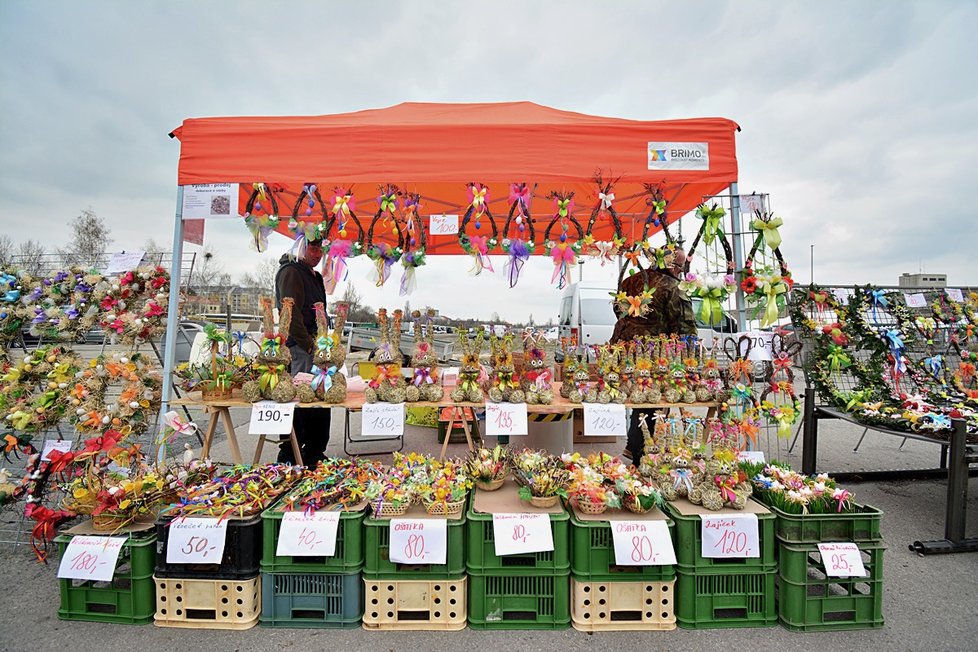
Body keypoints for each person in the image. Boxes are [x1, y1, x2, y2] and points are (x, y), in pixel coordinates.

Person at [610, 247, 697, 461]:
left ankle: (633, 445)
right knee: (651, 403)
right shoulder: (673, 287)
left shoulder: (632, 280)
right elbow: (684, 327)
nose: (681, 270)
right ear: (669, 263)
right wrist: (690, 360)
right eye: (679, 265)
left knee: (635, 398)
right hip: (652, 355)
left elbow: (618, 310)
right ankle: (642, 453)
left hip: (622, 349)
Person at [275, 239, 331, 466]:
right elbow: (290, 312)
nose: (318, 254)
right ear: (301, 248)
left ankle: (315, 452)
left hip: (316, 345)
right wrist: (307, 344)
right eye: (313, 248)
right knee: (301, 399)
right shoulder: (291, 272)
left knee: (320, 395)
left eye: (321, 250)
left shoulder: (314, 276)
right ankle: (291, 453)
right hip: (301, 346)